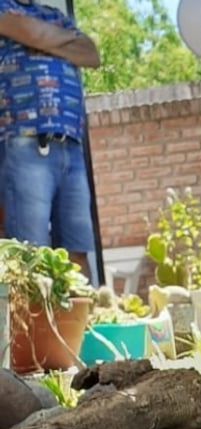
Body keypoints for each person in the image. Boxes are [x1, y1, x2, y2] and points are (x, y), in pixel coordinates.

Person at [0, 0, 99, 278]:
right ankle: (34, 323)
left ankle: (82, 320)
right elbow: (28, 32)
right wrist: (68, 40)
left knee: (77, 251)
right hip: (25, 140)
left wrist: (45, 39)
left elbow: (91, 54)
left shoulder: (52, 14)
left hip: (71, 145)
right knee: (30, 255)